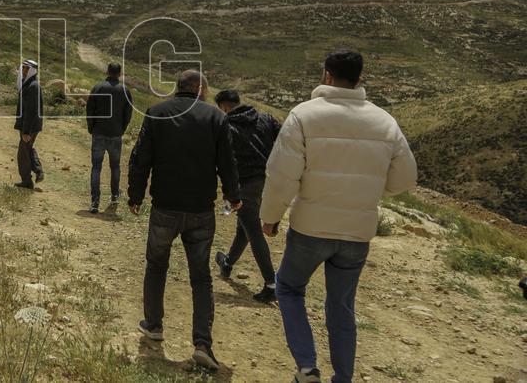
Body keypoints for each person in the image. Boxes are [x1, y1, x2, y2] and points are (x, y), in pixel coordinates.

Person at [261, 50, 417, 383]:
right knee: (342, 306)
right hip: (357, 233)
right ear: (360, 79)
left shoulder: (304, 115)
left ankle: (307, 367)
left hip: (310, 229)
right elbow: (404, 179)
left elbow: (281, 176)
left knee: (289, 288)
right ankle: (343, 377)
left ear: (327, 75)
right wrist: (370, 189)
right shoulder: (385, 121)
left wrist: (270, 217)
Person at [127, 70, 241, 373]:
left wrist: (135, 195)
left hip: (164, 207)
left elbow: (141, 157)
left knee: (156, 265)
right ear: (201, 89)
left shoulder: (156, 112)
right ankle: (202, 344)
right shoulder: (216, 117)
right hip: (201, 210)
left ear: (178, 88)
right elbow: (226, 161)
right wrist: (234, 195)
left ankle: (153, 325)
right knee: (201, 277)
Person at [213, 89, 281, 303]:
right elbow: (285, 142)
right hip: (269, 181)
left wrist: (228, 191)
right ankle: (227, 263)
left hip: (245, 184)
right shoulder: (266, 118)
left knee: (253, 231)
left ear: (223, 106)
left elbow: (223, 160)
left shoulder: (226, 126)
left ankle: (271, 284)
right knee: (244, 227)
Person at [85, 63, 133, 213]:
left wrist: (91, 128)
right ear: (120, 74)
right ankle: (114, 196)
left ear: (107, 71)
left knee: (96, 167)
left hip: (99, 132)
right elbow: (128, 113)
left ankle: (95, 202)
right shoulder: (124, 90)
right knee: (115, 167)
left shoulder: (98, 87)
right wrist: (122, 129)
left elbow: (90, 109)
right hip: (115, 134)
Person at [13, 60, 44, 189]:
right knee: (27, 149)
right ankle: (38, 171)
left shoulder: (33, 86)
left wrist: (26, 131)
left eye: (26, 68)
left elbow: (31, 110)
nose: (23, 70)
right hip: (29, 124)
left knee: (23, 153)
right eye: (23, 68)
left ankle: (27, 181)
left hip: (30, 126)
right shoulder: (29, 83)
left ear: (32, 70)